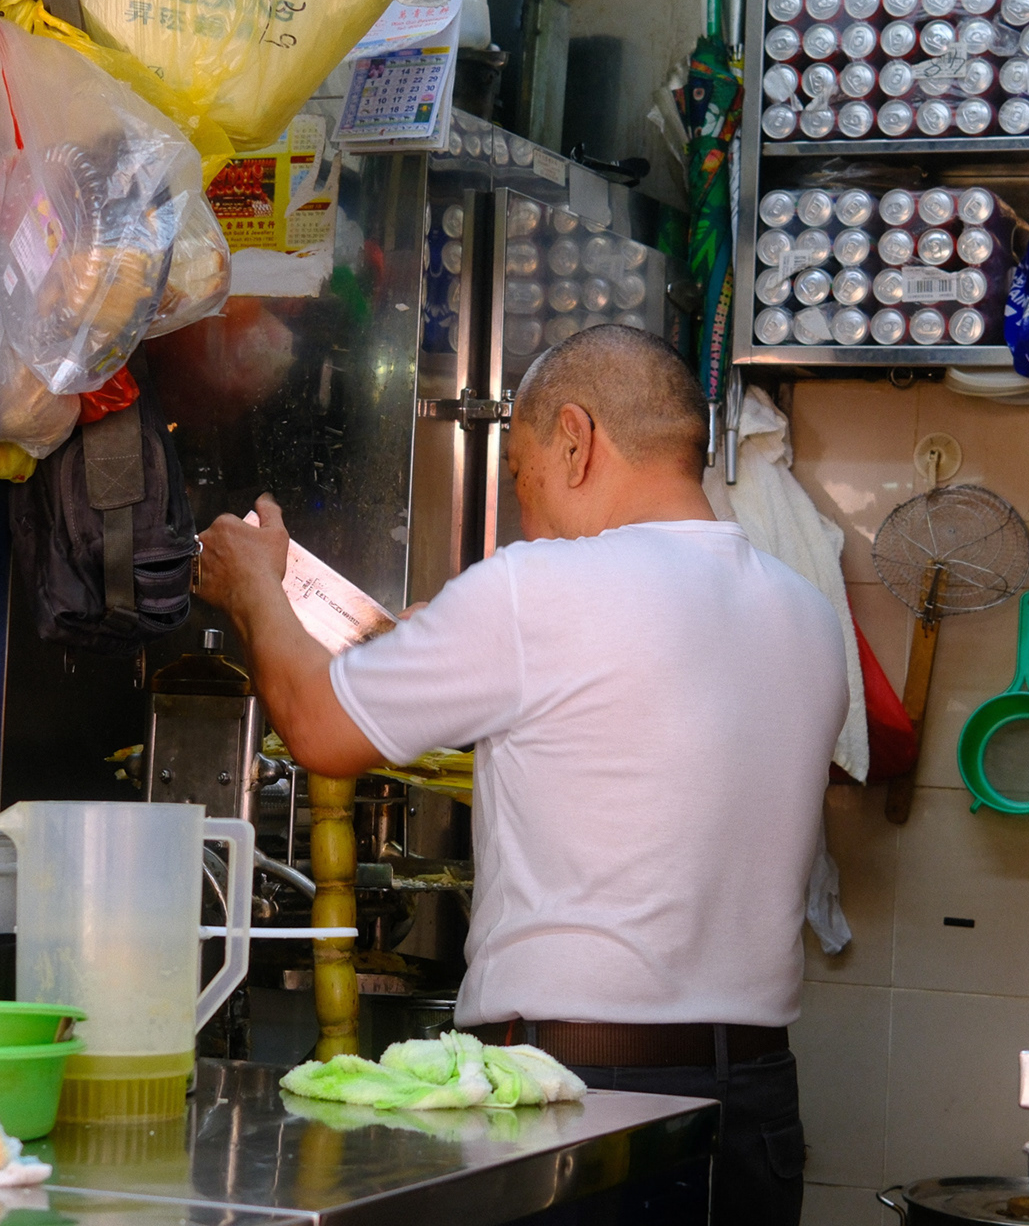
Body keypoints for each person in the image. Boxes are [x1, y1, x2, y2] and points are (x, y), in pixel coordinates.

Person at [194, 325, 847, 1226]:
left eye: (520, 476)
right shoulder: (805, 614)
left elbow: (317, 727)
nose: (523, 515)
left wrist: (253, 589)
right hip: (755, 1105)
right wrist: (447, 644)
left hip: (579, 1099)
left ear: (576, 439)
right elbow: (624, 738)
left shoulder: (540, 587)